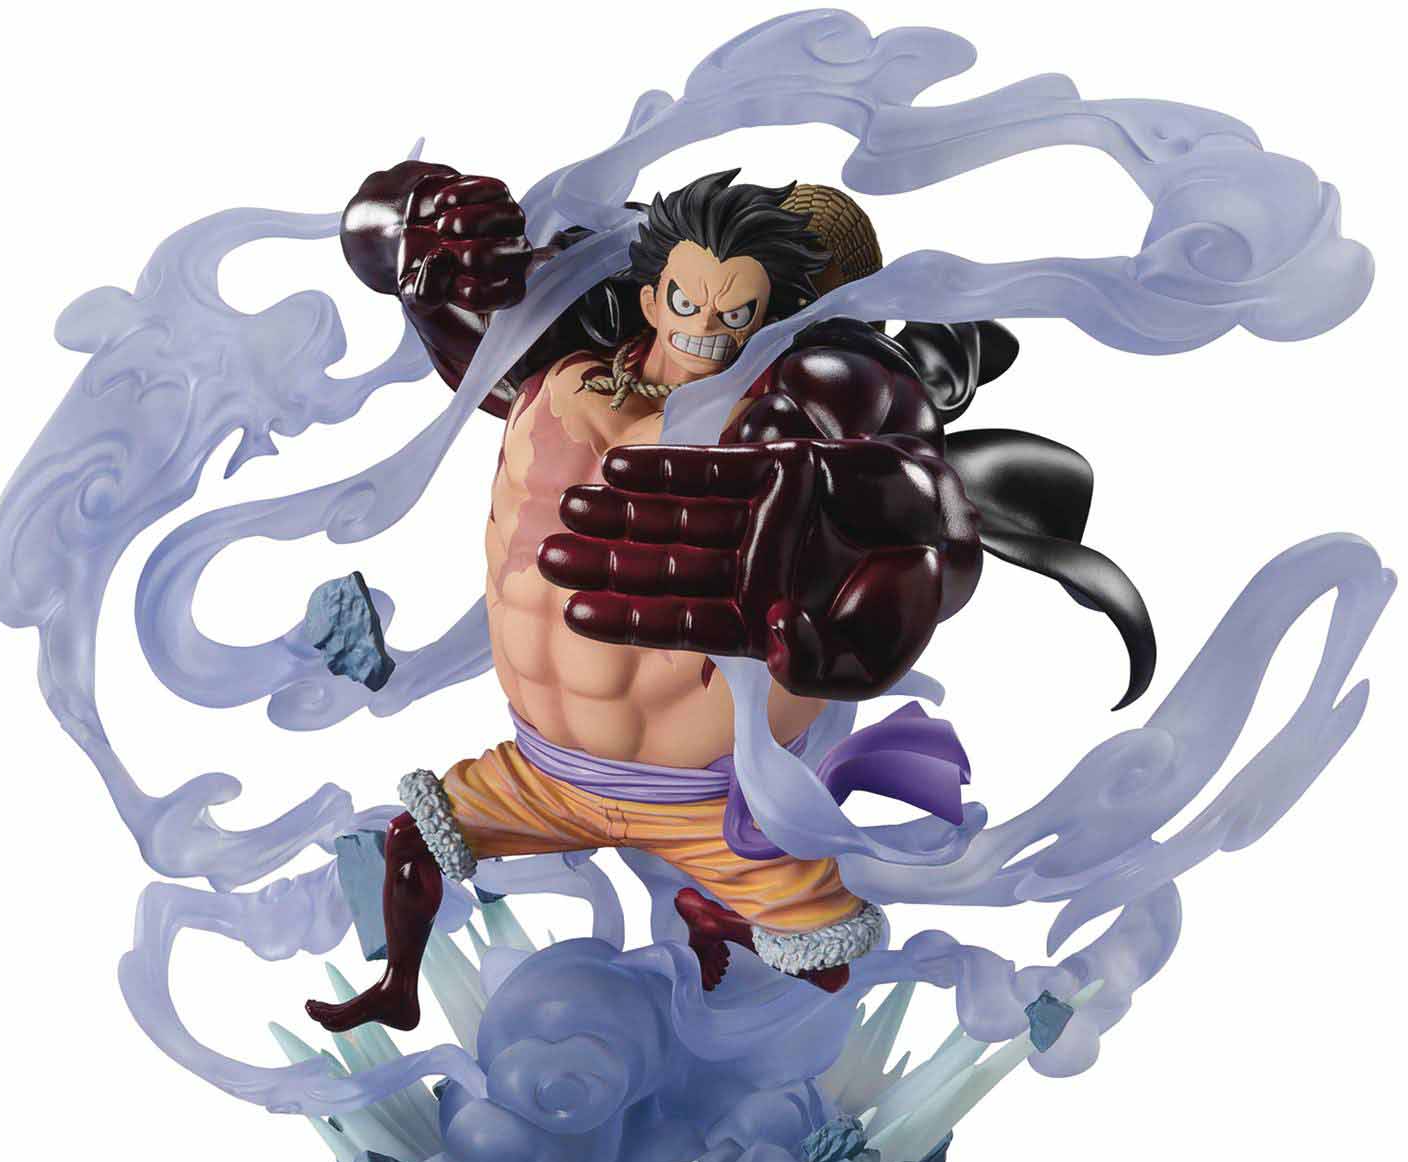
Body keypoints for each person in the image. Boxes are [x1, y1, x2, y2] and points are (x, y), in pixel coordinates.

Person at [307, 166, 1153, 1030]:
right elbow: (434, 288)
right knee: (411, 839)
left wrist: (878, 560)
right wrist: (421, 245)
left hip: (707, 805)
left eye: (738, 312)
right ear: (651, 296)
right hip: (541, 773)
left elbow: (916, 512)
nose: (705, 327)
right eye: (687, 301)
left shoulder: (789, 434)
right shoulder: (554, 376)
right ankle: (397, 991)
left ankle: (717, 922)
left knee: (828, 969)